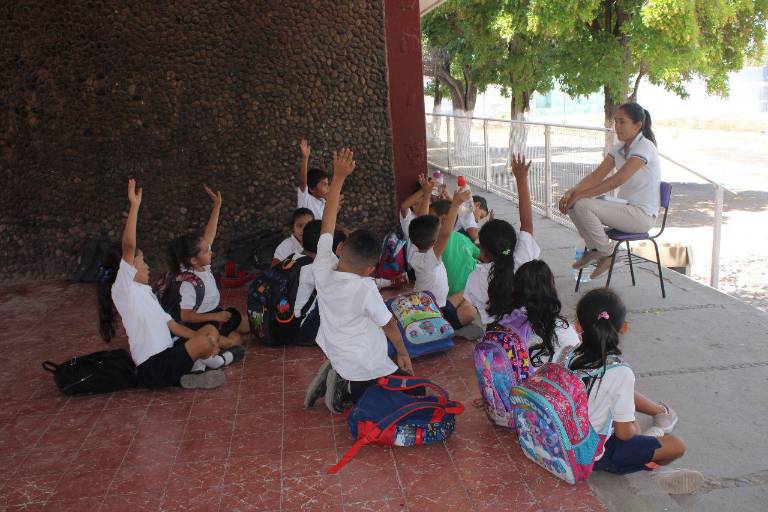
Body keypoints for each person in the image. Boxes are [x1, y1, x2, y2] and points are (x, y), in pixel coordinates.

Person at [303, 148, 413, 412]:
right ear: (369, 270)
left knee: (371, 370)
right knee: (405, 388)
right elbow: (389, 326)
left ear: (341, 249)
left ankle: (336, 370)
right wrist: (403, 353)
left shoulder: (322, 265)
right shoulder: (365, 289)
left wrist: (339, 177)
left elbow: (327, 223)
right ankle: (343, 386)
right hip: (361, 361)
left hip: (334, 347)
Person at [567, 288, 702, 494]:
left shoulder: (568, 353)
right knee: (676, 445)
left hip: (564, 438)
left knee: (626, 413)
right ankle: (653, 457)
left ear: (577, 326)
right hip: (593, 452)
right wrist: (631, 426)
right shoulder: (619, 371)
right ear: (624, 328)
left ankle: (652, 438)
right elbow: (623, 434)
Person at [99, 179, 230, 389]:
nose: (147, 266)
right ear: (127, 269)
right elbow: (129, 246)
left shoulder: (144, 291)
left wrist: (202, 338)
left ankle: (194, 371)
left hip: (168, 353)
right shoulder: (123, 290)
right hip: (152, 368)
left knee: (206, 333)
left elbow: (174, 326)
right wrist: (134, 207)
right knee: (204, 342)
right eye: (141, 262)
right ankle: (218, 361)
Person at [560, 103, 662, 279]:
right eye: (616, 121)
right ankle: (596, 249)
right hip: (625, 209)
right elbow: (596, 176)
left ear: (638, 125)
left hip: (641, 216)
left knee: (582, 204)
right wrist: (570, 193)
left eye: (622, 122)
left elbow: (618, 179)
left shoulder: (645, 147)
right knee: (573, 203)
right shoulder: (619, 148)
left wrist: (581, 195)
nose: (617, 126)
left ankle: (608, 254)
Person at [168, 186, 249, 352]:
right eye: (206, 251)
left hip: (216, 313)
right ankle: (212, 345)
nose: (210, 251)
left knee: (248, 324)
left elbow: (209, 235)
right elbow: (186, 315)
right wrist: (215, 316)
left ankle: (221, 337)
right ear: (193, 260)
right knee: (235, 341)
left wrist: (217, 205)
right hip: (200, 322)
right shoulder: (187, 283)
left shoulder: (201, 264)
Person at [462, 154, 540, 325]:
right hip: (525, 337)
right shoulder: (522, 260)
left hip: (497, 343)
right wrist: (522, 179)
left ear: (483, 251)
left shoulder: (476, 276)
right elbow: (527, 224)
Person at [401, 175, 477, 330]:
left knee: (465, 292)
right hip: (436, 312)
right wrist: (455, 204)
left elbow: (421, 221)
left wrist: (427, 193)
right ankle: (447, 330)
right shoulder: (431, 257)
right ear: (434, 241)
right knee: (470, 312)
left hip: (426, 302)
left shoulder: (415, 251)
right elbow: (445, 234)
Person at [486, 259, 579, 366]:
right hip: (540, 381)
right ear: (550, 290)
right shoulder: (562, 330)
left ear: (516, 288)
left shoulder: (504, 319)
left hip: (505, 379)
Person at [296, 138, 330, 219]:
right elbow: (303, 182)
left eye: (327, 184)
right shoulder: (306, 198)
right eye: (324, 184)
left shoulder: (324, 202)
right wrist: (305, 157)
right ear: (312, 189)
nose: (328, 188)